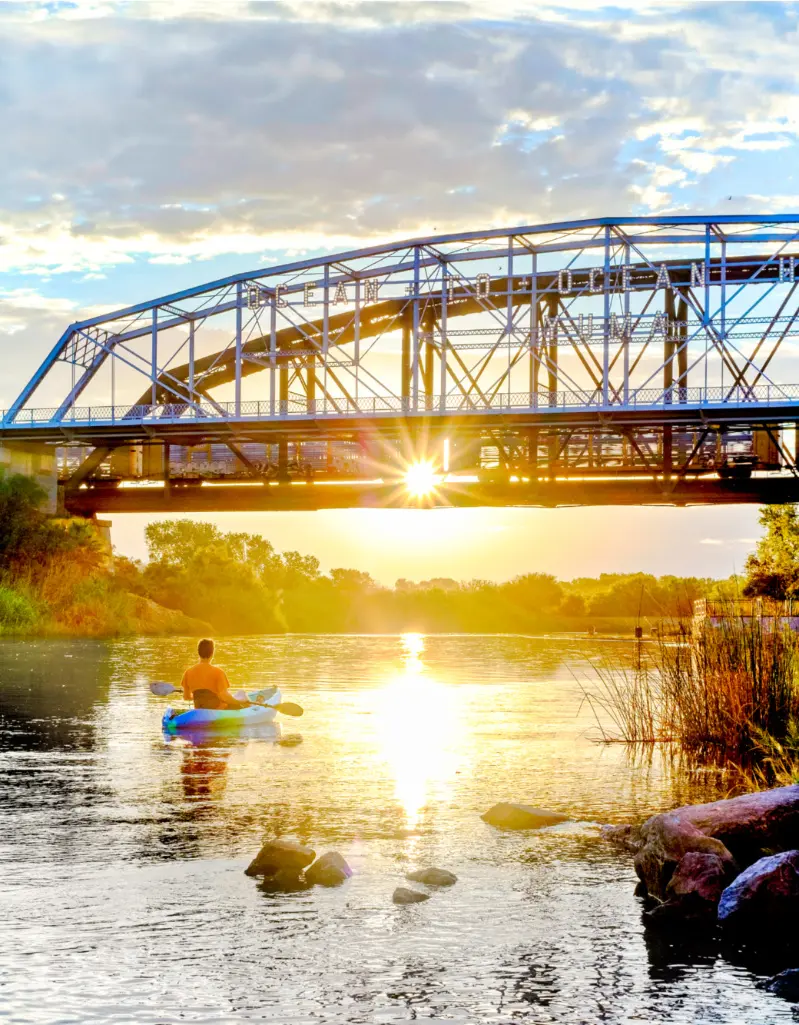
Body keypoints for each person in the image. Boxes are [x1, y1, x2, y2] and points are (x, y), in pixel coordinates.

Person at [180, 638, 249, 710]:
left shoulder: (188, 673)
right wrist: (239, 702)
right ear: (212, 653)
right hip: (219, 710)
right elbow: (225, 697)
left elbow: (186, 697)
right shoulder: (218, 672)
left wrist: (201, 698)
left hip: (200, 710)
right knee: (242, 700)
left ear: (198, 652)